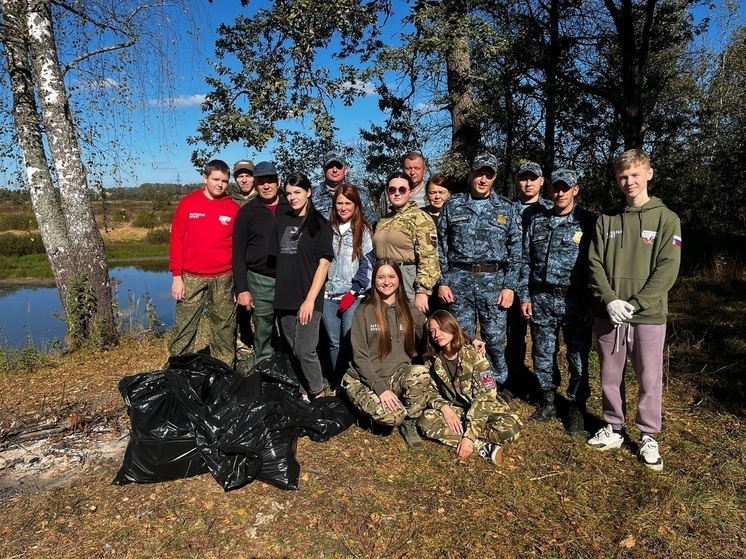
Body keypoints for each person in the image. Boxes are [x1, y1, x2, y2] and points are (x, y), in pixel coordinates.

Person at [586, 149, 682, 472]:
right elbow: (594, 263)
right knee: (610, 375)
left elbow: (668, 269)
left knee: (649, 377)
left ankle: (647, 434)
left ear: (649, 174)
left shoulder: (667, 219)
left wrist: (637, 303)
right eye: (623, 177)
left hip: (648, 315)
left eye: (635, 175)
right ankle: (613, 427)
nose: (629, 182)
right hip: (609, 313)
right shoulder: (607, 220)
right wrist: (610, 300)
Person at [437, 153, 522, 399]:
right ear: (470, 174)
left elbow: (516, 251)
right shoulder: (453, 205)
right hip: (458, 280)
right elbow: (440, 247)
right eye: (479, 173)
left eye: (489, 175)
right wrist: (442, 282)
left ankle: (497, 385)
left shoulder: (506, 207)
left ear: (494, 177)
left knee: (494, 338)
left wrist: (509, 287)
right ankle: (465, 385)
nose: (483, 179)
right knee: (460, 336)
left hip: (493, 282)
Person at [518, 169, 597, 432]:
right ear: (549, 190)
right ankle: (548, 401)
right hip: (541, 297)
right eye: (556, 188)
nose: (560, 193)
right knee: (542, 352)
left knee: (577, 355)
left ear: (576, 189)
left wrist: (593, 302)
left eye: (566, 187)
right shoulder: (538, 220)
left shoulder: (589, 223)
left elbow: (598, 266)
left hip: (575, 300)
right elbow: (525, 260)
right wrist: (525, 295)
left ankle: (576, 408)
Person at [341, 258, 431, 449]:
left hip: (395, 376)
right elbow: (359, 358)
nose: (386, 281)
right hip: (365, 378)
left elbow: (436, 329)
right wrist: (380, 389)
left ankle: (411, 422)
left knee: (420, 373)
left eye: (391, 276)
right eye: (381, 277)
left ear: (399, 279)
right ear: (374, 281)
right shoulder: (363, 312)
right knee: (393, 417)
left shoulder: (409, 309)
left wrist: (470, 339)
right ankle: (356, 401)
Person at [418, 310, 523, 464]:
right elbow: (430, 391)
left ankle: (468, 438)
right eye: (432, 331)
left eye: (441, 328)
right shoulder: (431, 361)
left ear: (452, 328)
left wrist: (469, 435)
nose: (436, 334)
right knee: (425, 421)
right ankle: (484, 447)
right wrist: (445, 408)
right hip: (457, 410)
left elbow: (486, 398)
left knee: (510, 429)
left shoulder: (475, 358)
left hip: (483, 409)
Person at [268, 173, 334, 400]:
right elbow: (276, 260)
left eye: (297, 192)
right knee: (293, 348)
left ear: (309, 192)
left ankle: (318, 392)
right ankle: (304, 390)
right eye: (288, 193)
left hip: (309, 298)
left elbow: (324, 264)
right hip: (284, 297)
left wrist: (309, 300)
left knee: (306, 349)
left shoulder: (320, 225)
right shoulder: (282, 221)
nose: (293, 197)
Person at [169, 159, 240, 367]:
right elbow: (177, 240)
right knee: (185, 326)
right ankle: (178, 369)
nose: (220, 184)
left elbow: (238, 248)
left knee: (224, 328)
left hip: (224, 277)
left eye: (225, 181)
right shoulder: (187, 204)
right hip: (191, 277)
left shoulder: (233, 208)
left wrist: (238, 284)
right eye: (216, 179)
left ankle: (224, 371)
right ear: (205, 178)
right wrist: (176, 276)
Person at [232, 161, 291, 365]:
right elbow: (238, 253)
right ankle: (265, 369)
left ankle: (292, 368)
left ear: (278, 182)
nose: (266, 186)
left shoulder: (291, 207)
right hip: (259, 279)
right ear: (256, 185)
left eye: (270, 181)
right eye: (261, 182)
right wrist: (242, 288)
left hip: (289, 279)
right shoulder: (247, 212)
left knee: (290, 327)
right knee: (263, 327)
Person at [505, 162, 554, 396]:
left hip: (540, 285)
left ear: (542, 181)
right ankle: (513, 380)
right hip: (511, 282)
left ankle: (544, 387)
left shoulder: (552, 210)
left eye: (533, 179)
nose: (528, 183)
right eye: (523, 178)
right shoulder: (506, 209)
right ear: (517, 181)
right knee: (513, 335)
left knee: (543, 340)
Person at [322, 184, 376, 387]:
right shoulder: (327, 229)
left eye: (348, 203)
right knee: (334, 342)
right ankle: (337, 383)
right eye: (339, 203)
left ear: (356, 205)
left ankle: (354, 383)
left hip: (353, 296)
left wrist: (354, 291)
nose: (343, 208)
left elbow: (368, 264)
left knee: (350, 339)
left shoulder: (363, 231)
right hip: (328, 295)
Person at [373, 171, 440, 313]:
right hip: (382, 281)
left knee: (410, 326)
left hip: (407, 279)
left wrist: (422, 291)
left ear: (410, 192)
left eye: (402, 189)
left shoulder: (421, 218)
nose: (397, 193)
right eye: (392, 190)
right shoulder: (383, 221)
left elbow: (429, 259)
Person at [311, 150, 378, 226]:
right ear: (323, 170)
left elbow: (372, 224)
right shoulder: (311, 195)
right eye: (330, 166)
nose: (335, 170)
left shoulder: (360, 194)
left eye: (339, 166)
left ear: (346, 170)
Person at [377, 151, 428, 219]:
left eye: (417, 168)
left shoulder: (432, 191)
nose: (412, 172)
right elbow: (379, 219)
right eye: (408, 168)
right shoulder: (390, 192)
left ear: (424, 170)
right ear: (403, 169)